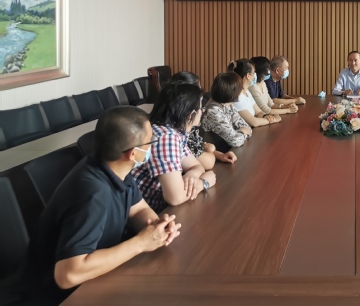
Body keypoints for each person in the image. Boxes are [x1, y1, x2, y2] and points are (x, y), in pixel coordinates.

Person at [21, 106, 181, 304]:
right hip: (59, 296)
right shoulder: (92, 193)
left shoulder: (114, 167)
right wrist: (140, 244)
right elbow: (67, 275)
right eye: (150, 141)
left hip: (98, 275)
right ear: (133, 153)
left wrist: (157, 227)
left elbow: (138, 208)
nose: (151, 146)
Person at [132, 81, 217, 213]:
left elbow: (197, 166)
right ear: (190, 115)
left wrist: (192, 175)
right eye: (200, 108)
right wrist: (204, 182)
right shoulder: (166, 137)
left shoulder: (176, 132)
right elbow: (175, 198)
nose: (202, 111)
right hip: (152, 213)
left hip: (162, 209)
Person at [170, 71, 236, 170]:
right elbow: (208, 163)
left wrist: (220, 155)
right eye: (198, 88)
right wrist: (209, 149)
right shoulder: (178, 128)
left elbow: (199, 147)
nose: (202, 110)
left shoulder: (188, 122)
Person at [200, 72, 253, 148]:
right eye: (240, 89)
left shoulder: (228, 104)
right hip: (217, 151)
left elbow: (247, 128)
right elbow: (235, 141)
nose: (241, 91)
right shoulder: (213, 111)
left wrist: (238, 133)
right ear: (233, 92)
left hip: (229, 148)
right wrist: (242, 132)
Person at [232, 59, 282, 128]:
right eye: (254, 72)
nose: (255, 75)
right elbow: (254, 122)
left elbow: (258, 112)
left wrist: (266, 116)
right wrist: (274, 119)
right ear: (248, 76)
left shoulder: (247, 92)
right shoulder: (235, 97)